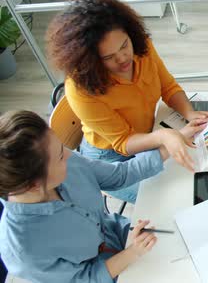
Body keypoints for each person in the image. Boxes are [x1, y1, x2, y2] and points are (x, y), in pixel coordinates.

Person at [47, 0, 208, 203]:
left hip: (148, 133)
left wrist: (189, 112)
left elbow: (168, 87)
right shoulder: (81, 90)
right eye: (108, 57)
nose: (123, 58)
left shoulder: (142, 47)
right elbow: (123, 141)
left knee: (193, 172)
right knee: (170, 197)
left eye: (124, 45)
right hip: (111, 158)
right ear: (89, 61)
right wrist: (165, 137)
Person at [0, 110, 175, 283]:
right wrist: (132, 253)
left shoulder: (57, 164)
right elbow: (86, 279)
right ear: (34, 185)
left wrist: (173, 143)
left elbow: (120, 174)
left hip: (121, 235)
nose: (70, 155)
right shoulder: (24, 250)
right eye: (60, 156)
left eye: (62, 147)